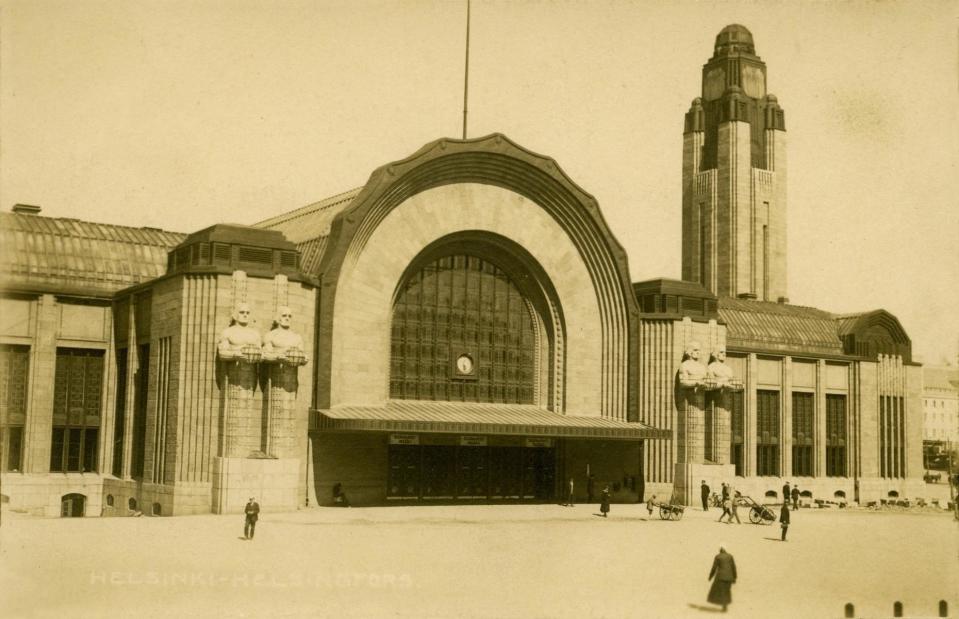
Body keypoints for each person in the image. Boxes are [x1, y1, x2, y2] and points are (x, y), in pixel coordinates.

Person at [707, 544, 737, 612]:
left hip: (721, 577)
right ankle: (725, 606)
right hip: (729, 577)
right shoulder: (730, 556)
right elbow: (733, 567)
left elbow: (714, 568)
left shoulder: (718, 557)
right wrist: (735, 577)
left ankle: (724, 607)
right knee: (727, 591)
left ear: (720, 549)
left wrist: (710, 577)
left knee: (722, 591)